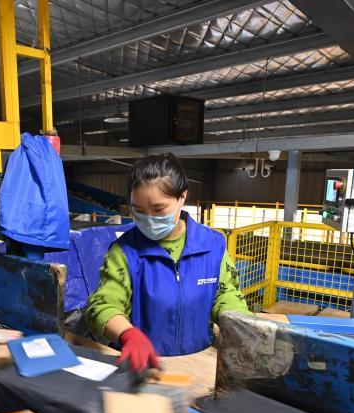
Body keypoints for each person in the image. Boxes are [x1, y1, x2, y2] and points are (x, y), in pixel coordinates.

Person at [85, 154, 249, 372]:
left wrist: (243, 326)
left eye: (158, 209)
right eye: (138, 210)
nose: (149, 219)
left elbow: (226, 294)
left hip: (196, 364)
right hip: (142, 366)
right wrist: (127, 334)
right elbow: (103, 305)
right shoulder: (125, 251)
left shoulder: (212, 245)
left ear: (182, 197)